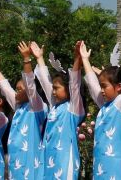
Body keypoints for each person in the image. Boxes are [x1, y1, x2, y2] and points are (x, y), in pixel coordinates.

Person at [80, 37, 121, 178]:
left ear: (118, 87)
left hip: (118, 168)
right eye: (101, 86)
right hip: (101, 166)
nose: (101, 90)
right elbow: (93, 85)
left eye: (104, 86)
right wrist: (85, 59)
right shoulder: (106, 106)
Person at [0, 43, 46, 178]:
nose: (16, 93)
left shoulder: (37, 107)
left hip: (31, 167)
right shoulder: (19, 107)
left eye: (20, 89)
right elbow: (6, 87)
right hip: (16, 166)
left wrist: (26, 59)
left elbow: (30, 84)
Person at [33, 40, 85, 179]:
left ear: (67, 89)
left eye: (57, 88)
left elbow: (74, 84)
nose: (53, 92)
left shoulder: (73, 109)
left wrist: (77, 59)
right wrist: (39, 59)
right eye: (53, 89)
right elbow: (45, 82)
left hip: (64, 162)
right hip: (48, 158)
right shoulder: (54, 107)